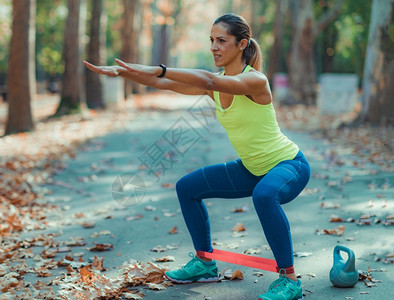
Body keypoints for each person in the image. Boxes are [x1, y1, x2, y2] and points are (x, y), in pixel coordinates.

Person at [84, 13, 310, 300]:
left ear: (242, 45)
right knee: (187, 187)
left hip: (289, 165)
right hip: (252, 169)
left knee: (264, 195)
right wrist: (123, 72)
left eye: (222, 41)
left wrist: (159, 67)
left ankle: (289, 280)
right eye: (211, 41)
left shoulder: (255, 81)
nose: (214, 47)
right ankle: (205, 264)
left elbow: (205, 80)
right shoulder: (213, 84)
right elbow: (165, 85)